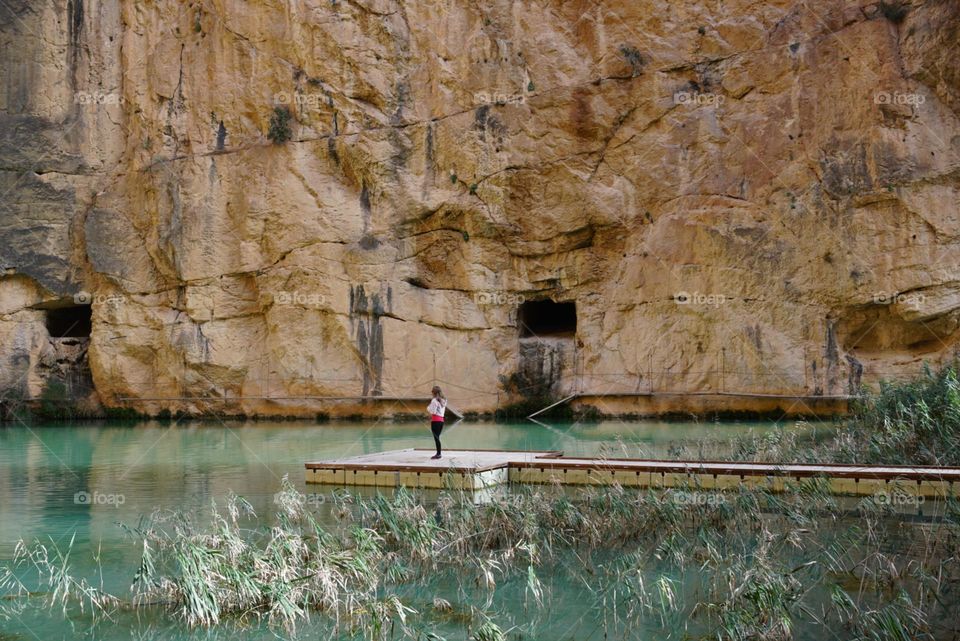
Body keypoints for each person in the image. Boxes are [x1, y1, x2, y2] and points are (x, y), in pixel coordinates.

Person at [427, 386, 447, 459]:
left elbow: (433, 412)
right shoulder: (444, 400)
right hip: (441, 421)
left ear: (433, 393)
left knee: (436, 438)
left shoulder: (434, 400)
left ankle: (438, 454)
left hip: (435, 421)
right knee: (437, 437)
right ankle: (438, 453)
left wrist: (428, 408)